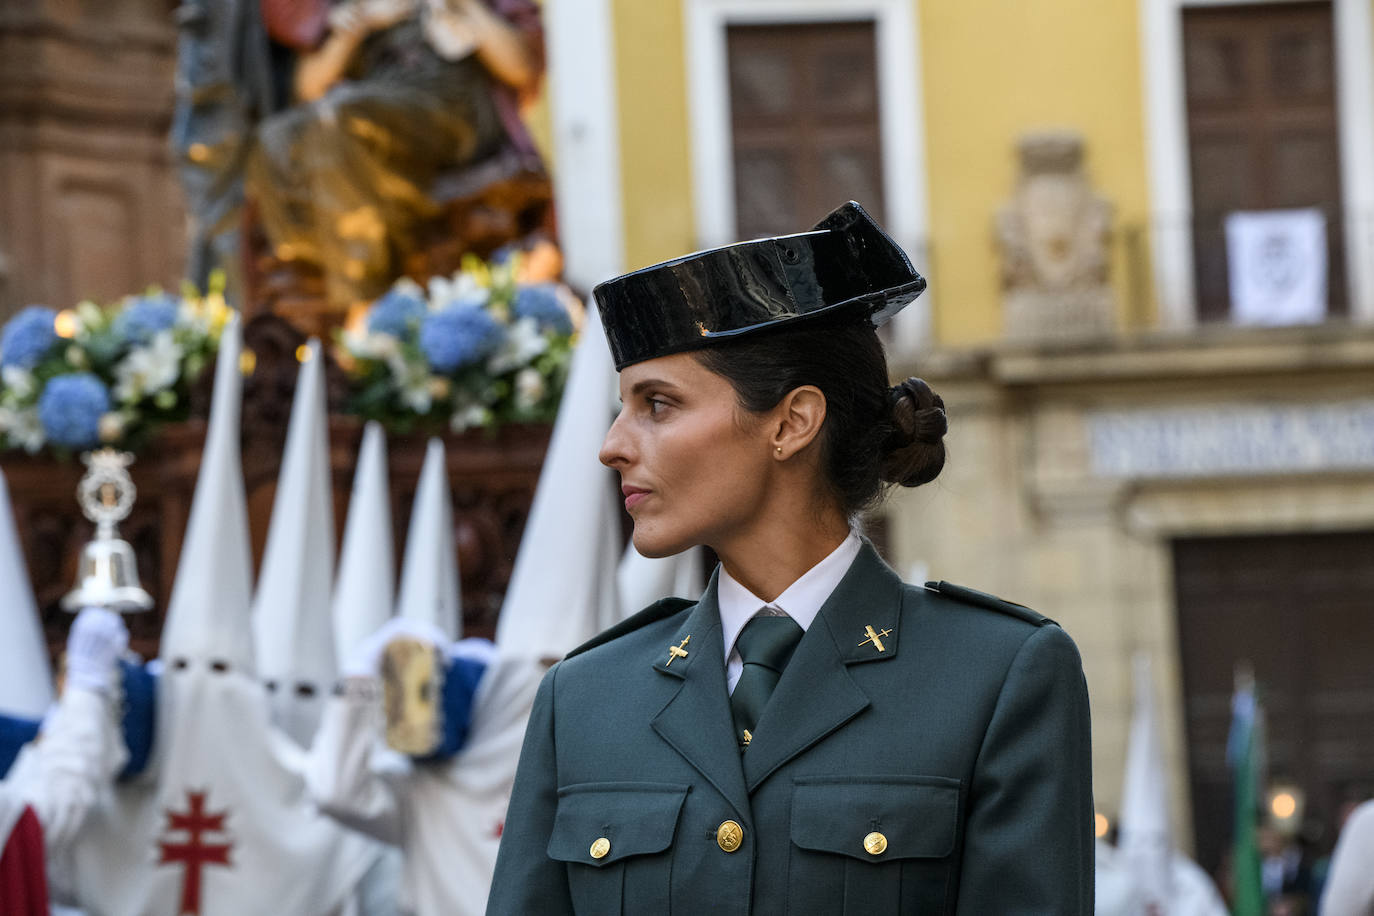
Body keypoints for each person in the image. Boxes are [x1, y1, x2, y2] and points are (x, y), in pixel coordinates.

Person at [486, 200, 1095, 914]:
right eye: (623, 407)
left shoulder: (995, 678)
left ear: (792, 422)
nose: (613, 445)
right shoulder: (584, 697)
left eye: (657, 405)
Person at [248, 0, 545, 306]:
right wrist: (353, 31)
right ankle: (309, 256)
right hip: (378, 106)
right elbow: (308, 88)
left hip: (449, 112)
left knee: (340, 120)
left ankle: (364, 297)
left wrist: (465, 7)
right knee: (273, 137)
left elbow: (520, 67)